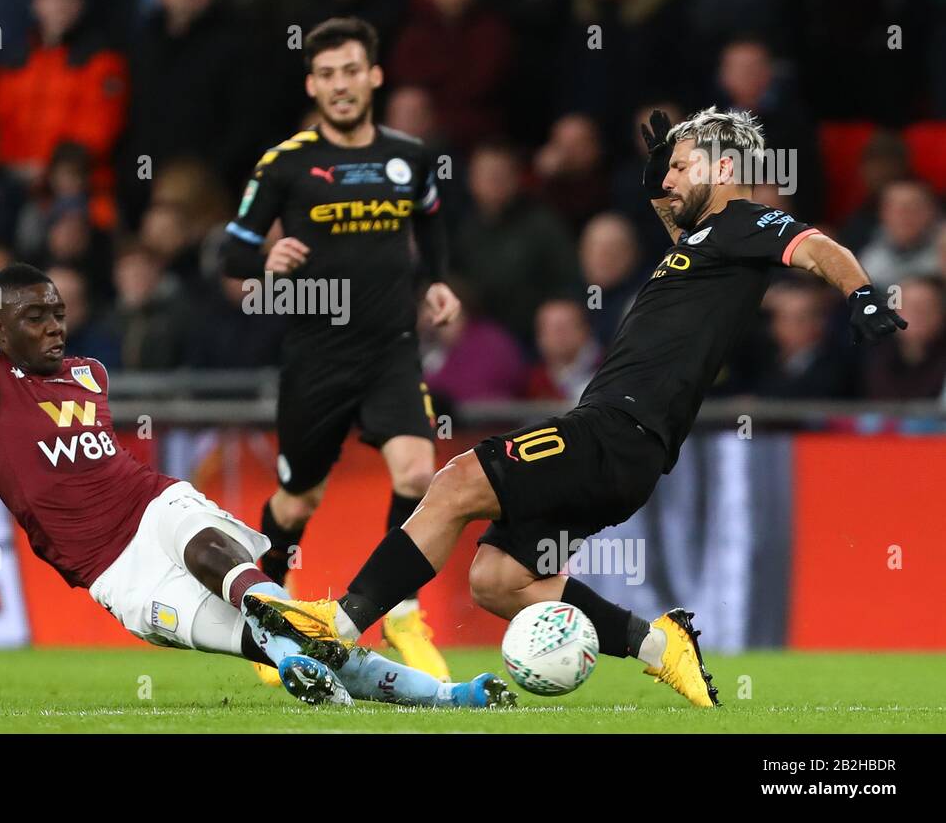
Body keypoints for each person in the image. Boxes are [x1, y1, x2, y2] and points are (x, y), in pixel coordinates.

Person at [244, 107, 906, 708]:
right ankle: (658, 646)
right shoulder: (705, 242)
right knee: (498, 579)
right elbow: (674, 216)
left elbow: (821, 248)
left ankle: (338, 627)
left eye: (682, 166)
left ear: (725, 168)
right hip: (627, 446)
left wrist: (862, 296)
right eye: (668, 169)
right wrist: (661, 172)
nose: (669, 179)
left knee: (452, 485)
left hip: (615, 430)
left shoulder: (745, 223)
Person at [0, 142, 513, 710]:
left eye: (58, 313)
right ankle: (293, 649)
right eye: (35, 318)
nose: (54, 326)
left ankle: (449, 696)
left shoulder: (88, 373)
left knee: (216, 554)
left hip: (154, 503)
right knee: (293, 640)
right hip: (115, 572)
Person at [219, 17, 458, 681]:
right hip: (317, 358)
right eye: (327, 74)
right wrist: (266, 256)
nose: (341, 85)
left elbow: (433, 223)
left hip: (391, 349)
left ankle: (404, 610)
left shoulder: (410, 157)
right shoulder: (286, 163)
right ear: (312, 84)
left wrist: (437, 281)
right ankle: (269, 612)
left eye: (352, 70)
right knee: (297, 502)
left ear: (374, 75)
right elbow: (229, 248)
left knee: (416, 475)